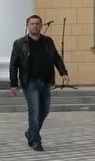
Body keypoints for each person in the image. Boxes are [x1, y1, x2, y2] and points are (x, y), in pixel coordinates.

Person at [10, 14, 65, 149]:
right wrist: (13, 84)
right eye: (32, 24)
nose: (35, 26)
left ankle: (31, 132)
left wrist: (63, 72)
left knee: (44, 110)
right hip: (30, 82)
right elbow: (13, 64)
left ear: (41, 25)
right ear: (28, 26)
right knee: (34, 110)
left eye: (37, 24)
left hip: (45, 80)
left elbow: (56, 58)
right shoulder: (19, 43)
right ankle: (35, 141)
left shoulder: (48, 41)